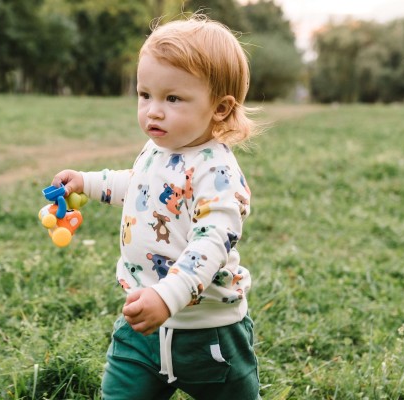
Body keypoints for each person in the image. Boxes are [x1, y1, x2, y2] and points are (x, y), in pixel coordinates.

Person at [51, 15, 260, 399]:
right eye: (145, 95)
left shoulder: (217, 172)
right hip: (142, 325)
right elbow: (138, 185)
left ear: (220, 107)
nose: (153, 111)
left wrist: (169, 296)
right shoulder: (158, 149)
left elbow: (212, 243)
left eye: (172, 98)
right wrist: (89, 182)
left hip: (210, 333)